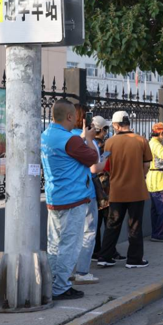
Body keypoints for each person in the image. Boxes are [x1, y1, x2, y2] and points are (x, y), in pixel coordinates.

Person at [41, 99, 100, 300]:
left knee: (54, 244)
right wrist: (90, 138)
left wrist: (83, 137)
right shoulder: (71, 140)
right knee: (70, 245)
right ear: (69, 116)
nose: (77, 119)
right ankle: (61, 287)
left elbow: (70, 154)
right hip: (73, 199)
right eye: (75, 116)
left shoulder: (47, 135)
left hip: (54, 197)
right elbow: (93, 158)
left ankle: (52, 283)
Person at [97, 111, 153, 269]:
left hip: (116, 190)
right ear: (128, 122)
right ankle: (134, 259)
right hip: (137, 190)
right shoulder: (141, 140)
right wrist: (140, 177)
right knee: (134, 224)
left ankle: (105, 257)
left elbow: (105, 165)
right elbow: (147, 165)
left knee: (112, 224)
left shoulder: (109, 143)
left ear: (115, 125)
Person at [70, 107, 102, 285]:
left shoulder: (66, 139)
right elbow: (95, 167)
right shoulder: (88, 140)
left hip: (68, 194)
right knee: (88, 232)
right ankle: (82, 271)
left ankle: (65, 271)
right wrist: (103, 161)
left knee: (68, 234)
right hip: (86, 193)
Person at [91, 116, 124, 263]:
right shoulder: (104, 146)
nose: (106, 132)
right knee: (109, 222)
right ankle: (108, 251)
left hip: (93, 189)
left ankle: (96, 250)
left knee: (95, 223)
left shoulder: (88, 143)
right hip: (104, 189)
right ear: (102, 130)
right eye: (106, 129)